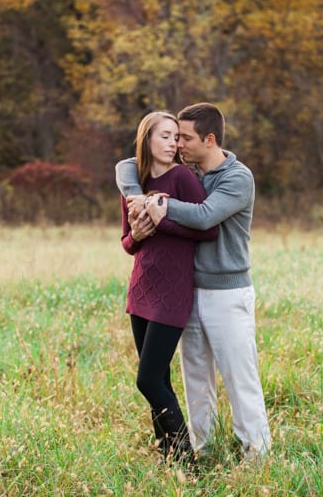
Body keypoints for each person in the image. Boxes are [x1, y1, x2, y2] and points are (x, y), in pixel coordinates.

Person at [116, 102, 272, 462]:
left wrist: (158, 206)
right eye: (173, 137)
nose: (178, 145)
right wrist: (137, 196)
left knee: (239, 375)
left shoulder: (237, 178)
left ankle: (257, 452)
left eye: (184, 138)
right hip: (190, 290)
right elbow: (128, 165)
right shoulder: (193, 173)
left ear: (209, 139)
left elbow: (204, 218)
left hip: (227, 291)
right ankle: (203, 447)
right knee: (195, 378)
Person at [118, 111, 218, 466]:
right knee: (159, 378)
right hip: (141, 290)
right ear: (147, 139)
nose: (173, 143)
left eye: (176, 137)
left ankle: (187, 460)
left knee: (147, 380)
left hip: (172, 295)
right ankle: (168, 454)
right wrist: (138, 235)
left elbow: (208, 230)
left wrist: (165, 224)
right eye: (165, 136)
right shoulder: (137, 183)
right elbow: (127, 243)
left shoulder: (182, 178)